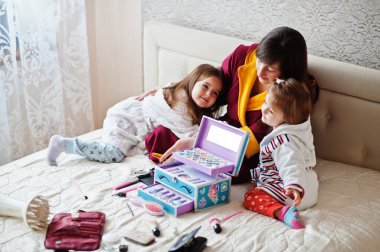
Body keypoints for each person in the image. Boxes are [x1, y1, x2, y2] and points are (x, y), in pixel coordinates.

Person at [143, 26, 319, 183]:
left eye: (270, 70)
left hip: (246, 148)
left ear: (287, 71)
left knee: (231, 169)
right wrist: (172, 91)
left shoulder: (293, 95)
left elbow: (258, 136)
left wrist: (198, 142)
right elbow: (213, 87)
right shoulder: (244, 56)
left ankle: (189, 162)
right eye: (260, 61)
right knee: (160, 135)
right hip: (222, 126)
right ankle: (187, 162)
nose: (260, 72)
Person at [46, 64, 225, 166]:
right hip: (127, 119)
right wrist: (207, 135)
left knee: (115, 150)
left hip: (129, 115)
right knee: (113, 154)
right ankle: (64, 144)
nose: (209, 94)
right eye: (206, 86)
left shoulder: (179, 93)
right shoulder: (182, 101)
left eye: (215, 93)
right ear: (193, 81)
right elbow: (183, 129)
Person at [244, 78, 318, 229]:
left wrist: (294, 186)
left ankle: (282, 212)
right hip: (306, 185)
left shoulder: (285, 142)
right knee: (253, 175)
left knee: (252, 197)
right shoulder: (299, 128)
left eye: (270, 110)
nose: (263, 109)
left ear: (288, 120)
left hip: (291, 191)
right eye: (265, 102)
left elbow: (292, 164)